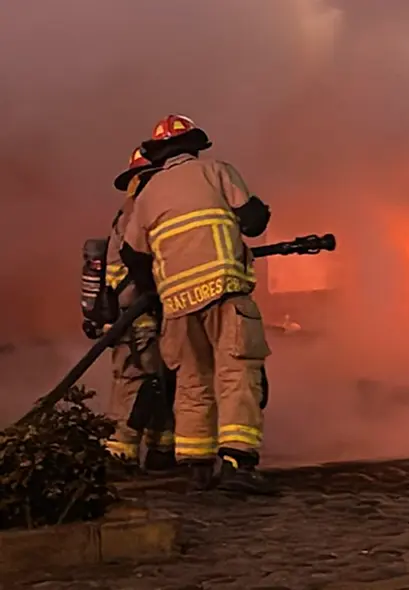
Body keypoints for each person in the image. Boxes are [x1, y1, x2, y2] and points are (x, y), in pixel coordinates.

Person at [119, 114, 276, 495]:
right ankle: (238, 464)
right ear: (194, 144)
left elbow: (132, 254)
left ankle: (198, 469)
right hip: (224, 292)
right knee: (236, 373)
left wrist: (159, 290)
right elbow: (253, 221)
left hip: (176, 304)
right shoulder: (216, 172)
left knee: (191, 382)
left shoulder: (148, 195)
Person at [98, 147, 176, 472]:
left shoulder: (143, 208)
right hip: (136, 315)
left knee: (164, 382)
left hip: (155, 312)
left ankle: (161, 450)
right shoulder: (140, 211)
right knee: (138, 381)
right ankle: (121, 453)